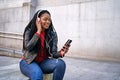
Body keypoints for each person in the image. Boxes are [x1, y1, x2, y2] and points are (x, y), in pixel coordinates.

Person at [19, 10, 70, 80]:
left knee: (61, 64)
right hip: (28, 62)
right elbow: (28, 47)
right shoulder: (29, 31)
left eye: (49, 20)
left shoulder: (52, 35)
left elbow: (53, 53)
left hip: (43, 63)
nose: (48, 22)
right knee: (38, 74)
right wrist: (38, 31)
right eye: (45, 19)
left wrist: (61, 53)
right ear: (38, 20)